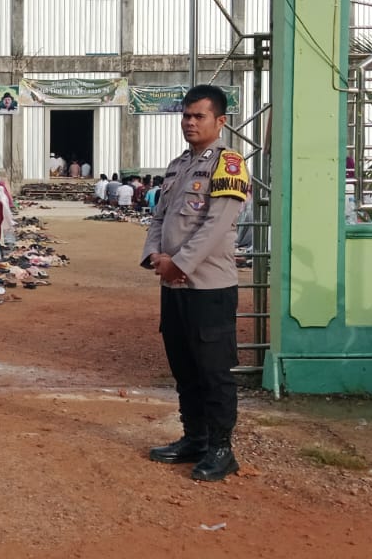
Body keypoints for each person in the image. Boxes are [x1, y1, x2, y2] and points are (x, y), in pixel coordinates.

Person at [140, 85, 248, 483]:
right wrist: (155, 255)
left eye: (198, 116)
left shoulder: (229, 163)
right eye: (186, 115)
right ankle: (195, 438)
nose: (189, 122)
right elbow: (159, 217)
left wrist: (178, 263)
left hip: (209, 287)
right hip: (174, 287)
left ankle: (221, 449)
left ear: (220, 121)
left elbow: (215, 226)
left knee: (213, 370)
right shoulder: (177, 166)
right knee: (184, 367)